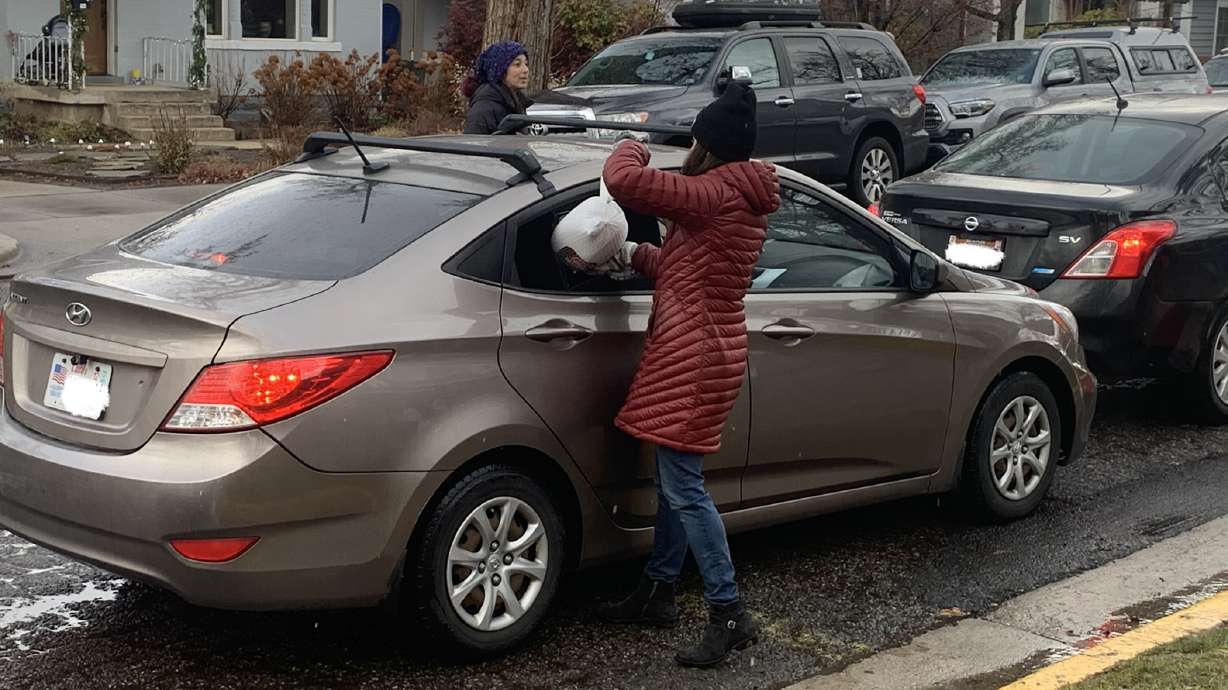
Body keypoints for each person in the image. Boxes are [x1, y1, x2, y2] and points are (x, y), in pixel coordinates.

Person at [596, 82, 781, 668]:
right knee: (678, 483)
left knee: (685, 490)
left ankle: (729, 613)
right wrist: (630, 255)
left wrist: (631, 142)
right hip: (709, 346)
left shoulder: (712, 193)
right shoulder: (737, 198)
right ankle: (659, 589)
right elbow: (689, 268)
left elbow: (624, 182)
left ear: (708, 144)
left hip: (694, 354)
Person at [462, 41, 531, 135]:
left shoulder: (517, 103)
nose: (525, 70)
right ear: (500, 70)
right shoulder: (484, 108)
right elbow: (472, 146)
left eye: (526, 64)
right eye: (517, 64)